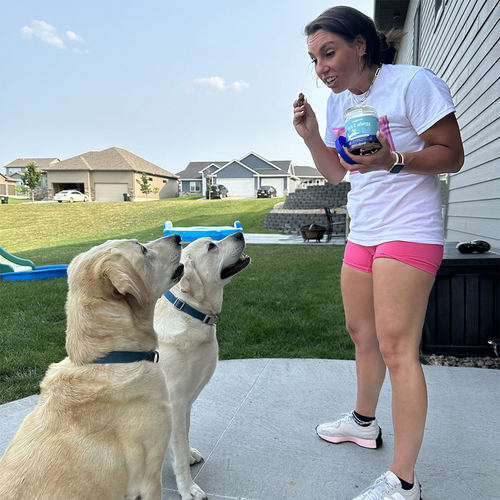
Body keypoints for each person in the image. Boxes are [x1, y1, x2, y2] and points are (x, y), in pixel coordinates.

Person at [293, 6, 464, 500]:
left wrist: (395, 161)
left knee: (397, 349)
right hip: (363, 229)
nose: (322, 67)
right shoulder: (336, 104)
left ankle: (403, 481)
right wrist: (308, 136)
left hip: (409, 229)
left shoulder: (412, 82)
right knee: (361, 334)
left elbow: (451, 153)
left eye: (329, 53)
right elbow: (336, 174)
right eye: (315, 59)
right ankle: (363, 422)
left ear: (360, 45)